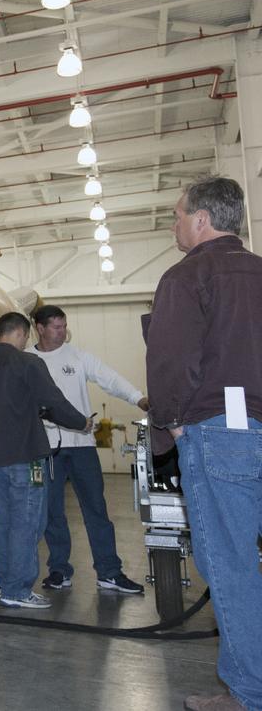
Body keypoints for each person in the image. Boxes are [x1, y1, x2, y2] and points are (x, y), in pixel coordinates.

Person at [145, 177, 262, 711]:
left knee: (231, 565)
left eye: (176, 215)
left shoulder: (186, 277)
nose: (174, 225)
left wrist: (167, 422)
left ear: (201, 220)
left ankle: (249, 692)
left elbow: (171, 360)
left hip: (218, 434)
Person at [0, 312, 89, 609]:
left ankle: (5, 584)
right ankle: (18, 590)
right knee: (27, 524)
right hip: (26, 459)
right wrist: (81, 422)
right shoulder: (29, 363)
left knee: (3, 524)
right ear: (22, 334)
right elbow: (55, 401)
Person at [30, 305, 147, 595]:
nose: (61, 332)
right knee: (52, 513)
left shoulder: (78, 356)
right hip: (47, 451)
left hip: (82, 448)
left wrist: (138, 398)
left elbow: (108, 377)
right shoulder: (27, 361)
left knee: (96, 510)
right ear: (39, 328)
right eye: (55, 327)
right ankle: (59, 570)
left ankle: (109, 571)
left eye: (64, 326)